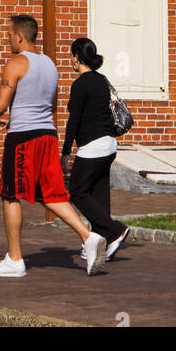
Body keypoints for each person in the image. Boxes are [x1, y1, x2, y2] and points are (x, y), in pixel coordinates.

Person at [0, 14, 107, 277]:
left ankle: (15, 260)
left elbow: (0, 105)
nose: (7, 38)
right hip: (47, 135)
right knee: (51, 194)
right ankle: (89, 237)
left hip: (23, 138)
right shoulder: (51, 66)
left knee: (10, 194)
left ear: (20, 36)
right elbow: (50, 106)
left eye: (9, 34)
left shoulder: (16, 62)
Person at [61, 38, 129, 260]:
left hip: (92, 146)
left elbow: (74, 120)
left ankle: (114, 230)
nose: (71, 59)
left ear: (78, 57)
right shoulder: (101, 80)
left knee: (78, 192)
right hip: (110, 145)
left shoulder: (80, 84)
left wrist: (65, 151)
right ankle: (104, 242)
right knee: (99, 197)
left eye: (72, 55)